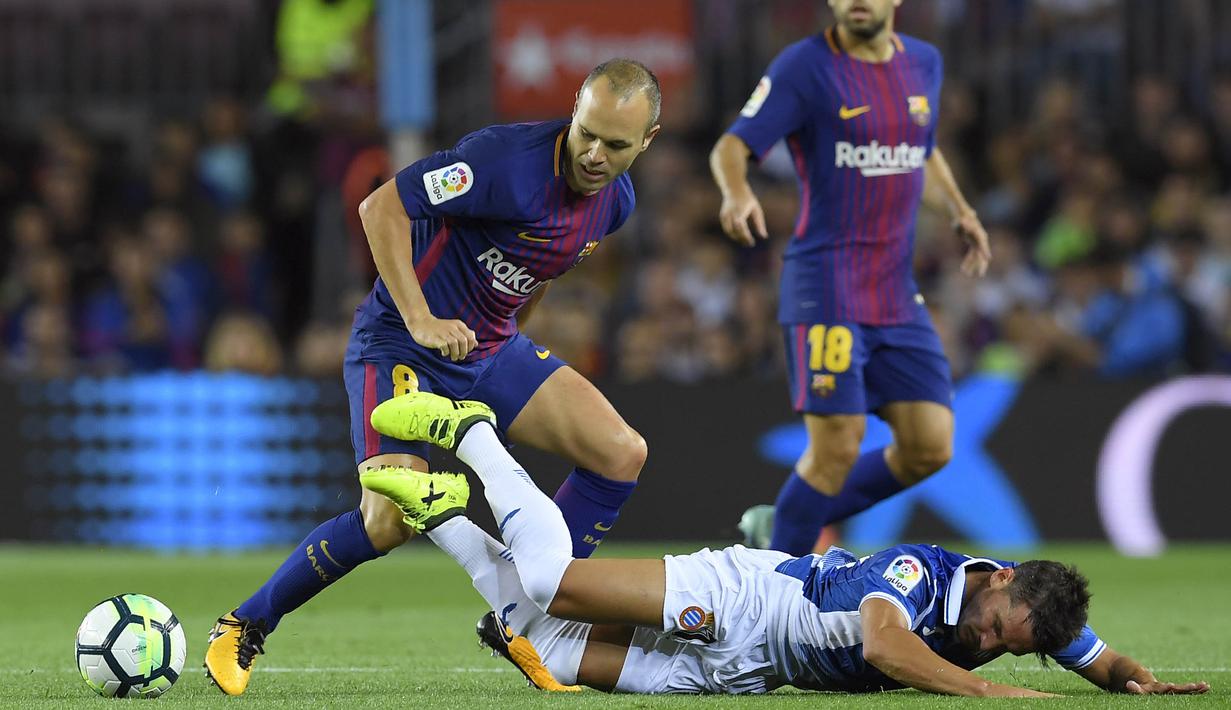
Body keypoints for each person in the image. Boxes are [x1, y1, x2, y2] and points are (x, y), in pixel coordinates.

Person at [204, 59, 662, 695]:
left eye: (615, 145)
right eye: (587, 132)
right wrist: (420, 318)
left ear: (647, 141)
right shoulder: (504, 161)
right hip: (401, 345)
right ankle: (244, 623)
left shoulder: (615, 204)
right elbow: (379, 208)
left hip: (488, 350)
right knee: (385, 522)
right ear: (574, 113)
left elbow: (540, 270)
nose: (593, 153)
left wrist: (511, 333)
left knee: (620, 453)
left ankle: (524, 622)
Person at [361, 390, 1210, 697]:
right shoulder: (918, 575)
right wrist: (986, 693)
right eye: (994, 628)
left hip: (748, 671)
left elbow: (1085, 653)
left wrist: (1127, 676)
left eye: (1004, 652)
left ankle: (444, 517)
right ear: (1001, 579)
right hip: (751, 598)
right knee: (551, 584)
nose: (986, 644)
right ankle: (472, 437)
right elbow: (884, 646)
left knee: (540, 644)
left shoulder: (1026, 613)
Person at [709, 0, 992, 555]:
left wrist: (961, 209)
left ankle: (783, 522)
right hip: (827, 285)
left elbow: (923, 151)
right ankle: (776, 589)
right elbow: (732, 145)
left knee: (929, 448)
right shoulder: (804, 66)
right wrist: (737, 190)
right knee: (837, 446)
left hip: (894, 292)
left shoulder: (925, 64)